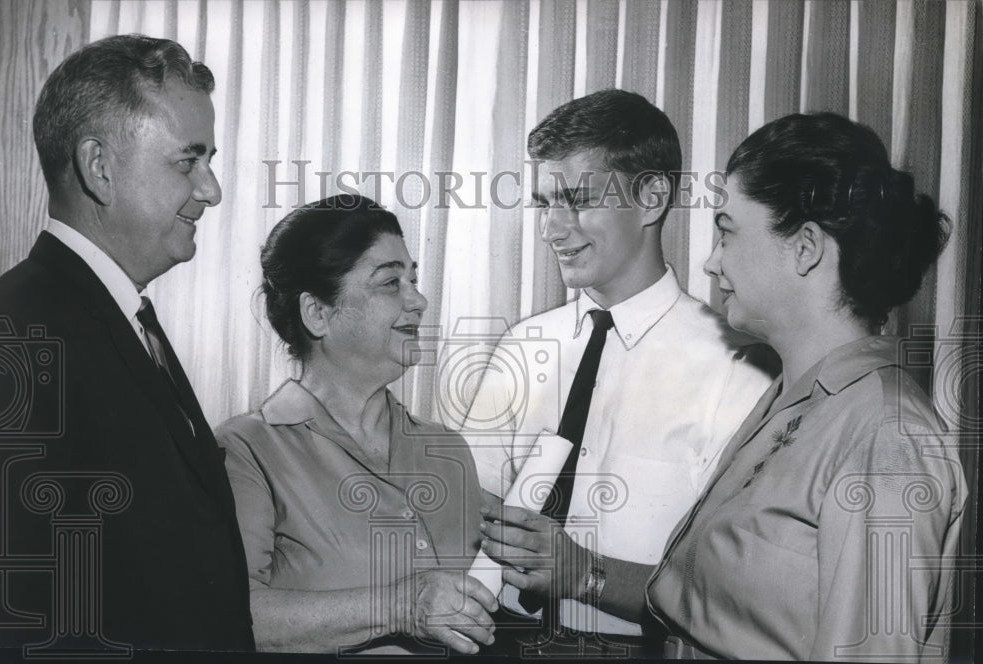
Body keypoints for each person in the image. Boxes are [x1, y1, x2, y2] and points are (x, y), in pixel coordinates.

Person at [644, 112, 967, 661]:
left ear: (805, 247)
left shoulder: (888, 439)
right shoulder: (798, 398)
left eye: (727, 233)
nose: (711, 261)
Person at [465, 89, 777, 656]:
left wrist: (584, 573)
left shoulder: (739, 371)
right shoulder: (522, 345)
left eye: (578, 200)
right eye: (544, 204)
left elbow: (738, 590)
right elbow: (467, 510)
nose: (552, 230)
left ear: (653, 197)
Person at [0, 36, 254, 650]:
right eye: (188, 162)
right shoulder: (12, 339)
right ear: (99, 167)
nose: (211, 190)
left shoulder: (121, 318)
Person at [216, 195, 497, 655]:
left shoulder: (447, 449)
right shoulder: (246, 448)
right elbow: (231, 612)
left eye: (414, 279)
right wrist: (401, 606)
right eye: (390, 283)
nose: (419, 300)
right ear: (318, 314)